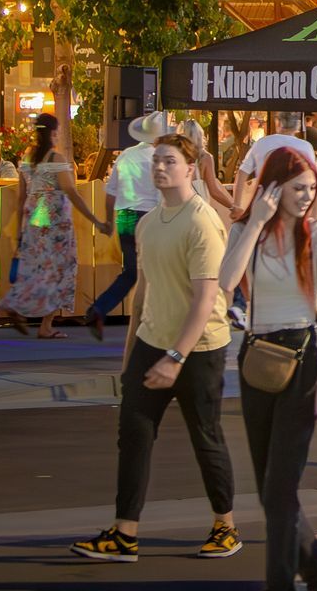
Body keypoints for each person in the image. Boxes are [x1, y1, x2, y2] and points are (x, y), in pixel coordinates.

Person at [71, 132, 240, 564]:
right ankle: (125, 533)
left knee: (206, 437)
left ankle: (226, 525)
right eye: (156, 162)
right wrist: (131, 357)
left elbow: (207, 300)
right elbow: (143, 295)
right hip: (152, 342)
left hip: (198, 349)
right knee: (134, 435)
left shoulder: (202, 222)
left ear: (190, 168)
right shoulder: (147, 223)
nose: (160, 168)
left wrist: (176, 358)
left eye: (169, 161)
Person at [215, 147, 317, 591]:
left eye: (311, 188)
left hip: (304, 356)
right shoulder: (248, 232)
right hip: (257, 354)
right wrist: (254, 222)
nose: (307, 196)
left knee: (280, 489)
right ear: (273, 187)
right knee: (271, 488)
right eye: (298, 188)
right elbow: (227, 282)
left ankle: (282, 583)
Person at [2, 113, 108, 339]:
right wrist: (96, 220)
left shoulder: (27, 158)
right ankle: (45, 325)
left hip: (33, 218)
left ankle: (17, 304)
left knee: (38, 269)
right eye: (57, 131)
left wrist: (20, 228)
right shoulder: (56, 159)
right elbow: (72, 193)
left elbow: (21, 197)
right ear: (52, 133)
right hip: (54, 220)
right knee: (61, 269)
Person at [85, 109, 172, 341]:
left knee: (134, 271)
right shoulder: (159, 159)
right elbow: (160, 194)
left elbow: (111, 192)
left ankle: (101, 308)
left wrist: (108, 220)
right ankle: (152, 319)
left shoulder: (125, 156)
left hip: (124, 216)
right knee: (153, 270)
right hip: (148, 217)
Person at [180, 118, 235, 210]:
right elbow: (214, 191)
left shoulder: (176, 157)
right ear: (201, 136)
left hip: (179, 210)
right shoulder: (205, 158)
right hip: (198, 210)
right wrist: (232, 207)